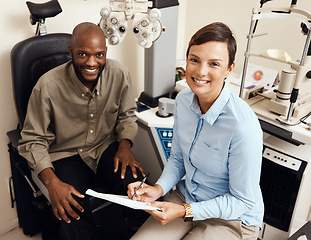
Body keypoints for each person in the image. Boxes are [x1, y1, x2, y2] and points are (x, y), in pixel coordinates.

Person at [128, 22, 264, 240]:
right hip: (187, 196)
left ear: (229, 69)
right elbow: (178, 158)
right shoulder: (182, 100)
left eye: (214, 64)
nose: (201, 71)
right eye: (194, 60)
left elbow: (242, 201)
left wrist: (184, 212)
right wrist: (159, 190)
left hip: (232, 217)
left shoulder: (242, 126)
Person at [18, 22, 147, 240]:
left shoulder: (118, 73)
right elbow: (33, 140)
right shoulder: (47, 86)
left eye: (98, 55)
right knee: (71, 210)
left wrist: (125, 144)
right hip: (64, 155)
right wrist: (52, 182)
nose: (91, 62)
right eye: (82, 54)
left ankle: (134, 231)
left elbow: (127, 114)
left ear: (105, 52)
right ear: (70, 51)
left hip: (105, 147)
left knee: (139, 187)